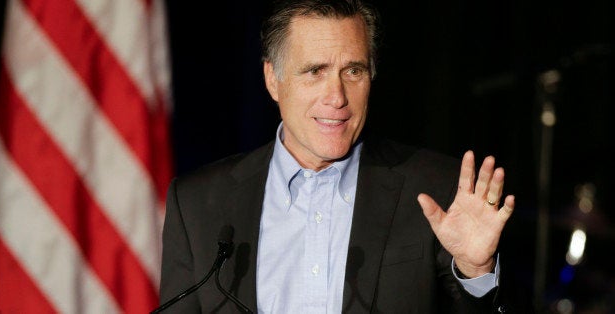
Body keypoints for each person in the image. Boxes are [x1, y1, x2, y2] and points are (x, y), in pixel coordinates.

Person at [158, 0, 516, 312]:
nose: (338, 96)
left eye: (353, 71)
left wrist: (476, 272)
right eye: (316, 71)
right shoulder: (198, 204)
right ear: (272, 79)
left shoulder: (438, 191)